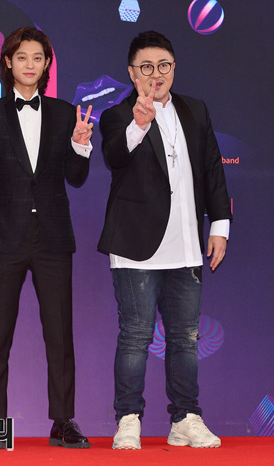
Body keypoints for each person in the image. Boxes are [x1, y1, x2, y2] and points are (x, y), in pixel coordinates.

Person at [98, 30, 232, 450]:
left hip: (187, 244)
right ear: (131, 72)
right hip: (135, 245)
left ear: (174, 68)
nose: (156, 74)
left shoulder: (195, 110)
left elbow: (212, 169)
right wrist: (139, 125)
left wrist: (220, 225)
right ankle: (128, 419)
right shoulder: (117, 115)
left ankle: (185, 418)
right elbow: (114, 156)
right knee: (135, 336)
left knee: (185, 337)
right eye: (146, 67)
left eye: (164, 66)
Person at [0, 27, 93, 449]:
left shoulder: (65, 113)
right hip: (5, 238)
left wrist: (80, 146)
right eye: (22, 57)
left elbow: (75, 177)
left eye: (37, 58)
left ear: (46, 65)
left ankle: (63, 420)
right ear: (8, 62)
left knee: (59, 333)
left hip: (54, 239)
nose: (29, 64)